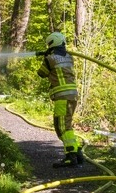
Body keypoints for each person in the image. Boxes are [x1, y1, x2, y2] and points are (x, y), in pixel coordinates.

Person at [36, 32, 83, 168]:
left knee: (61, 127)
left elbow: (41, 73)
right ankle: (76, 151)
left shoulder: (50, 59)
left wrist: (46, 57)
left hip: (62, 97)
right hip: (72, 96)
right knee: (66, 125)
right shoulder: (69, 56)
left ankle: (70, 156)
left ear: (51, 44)